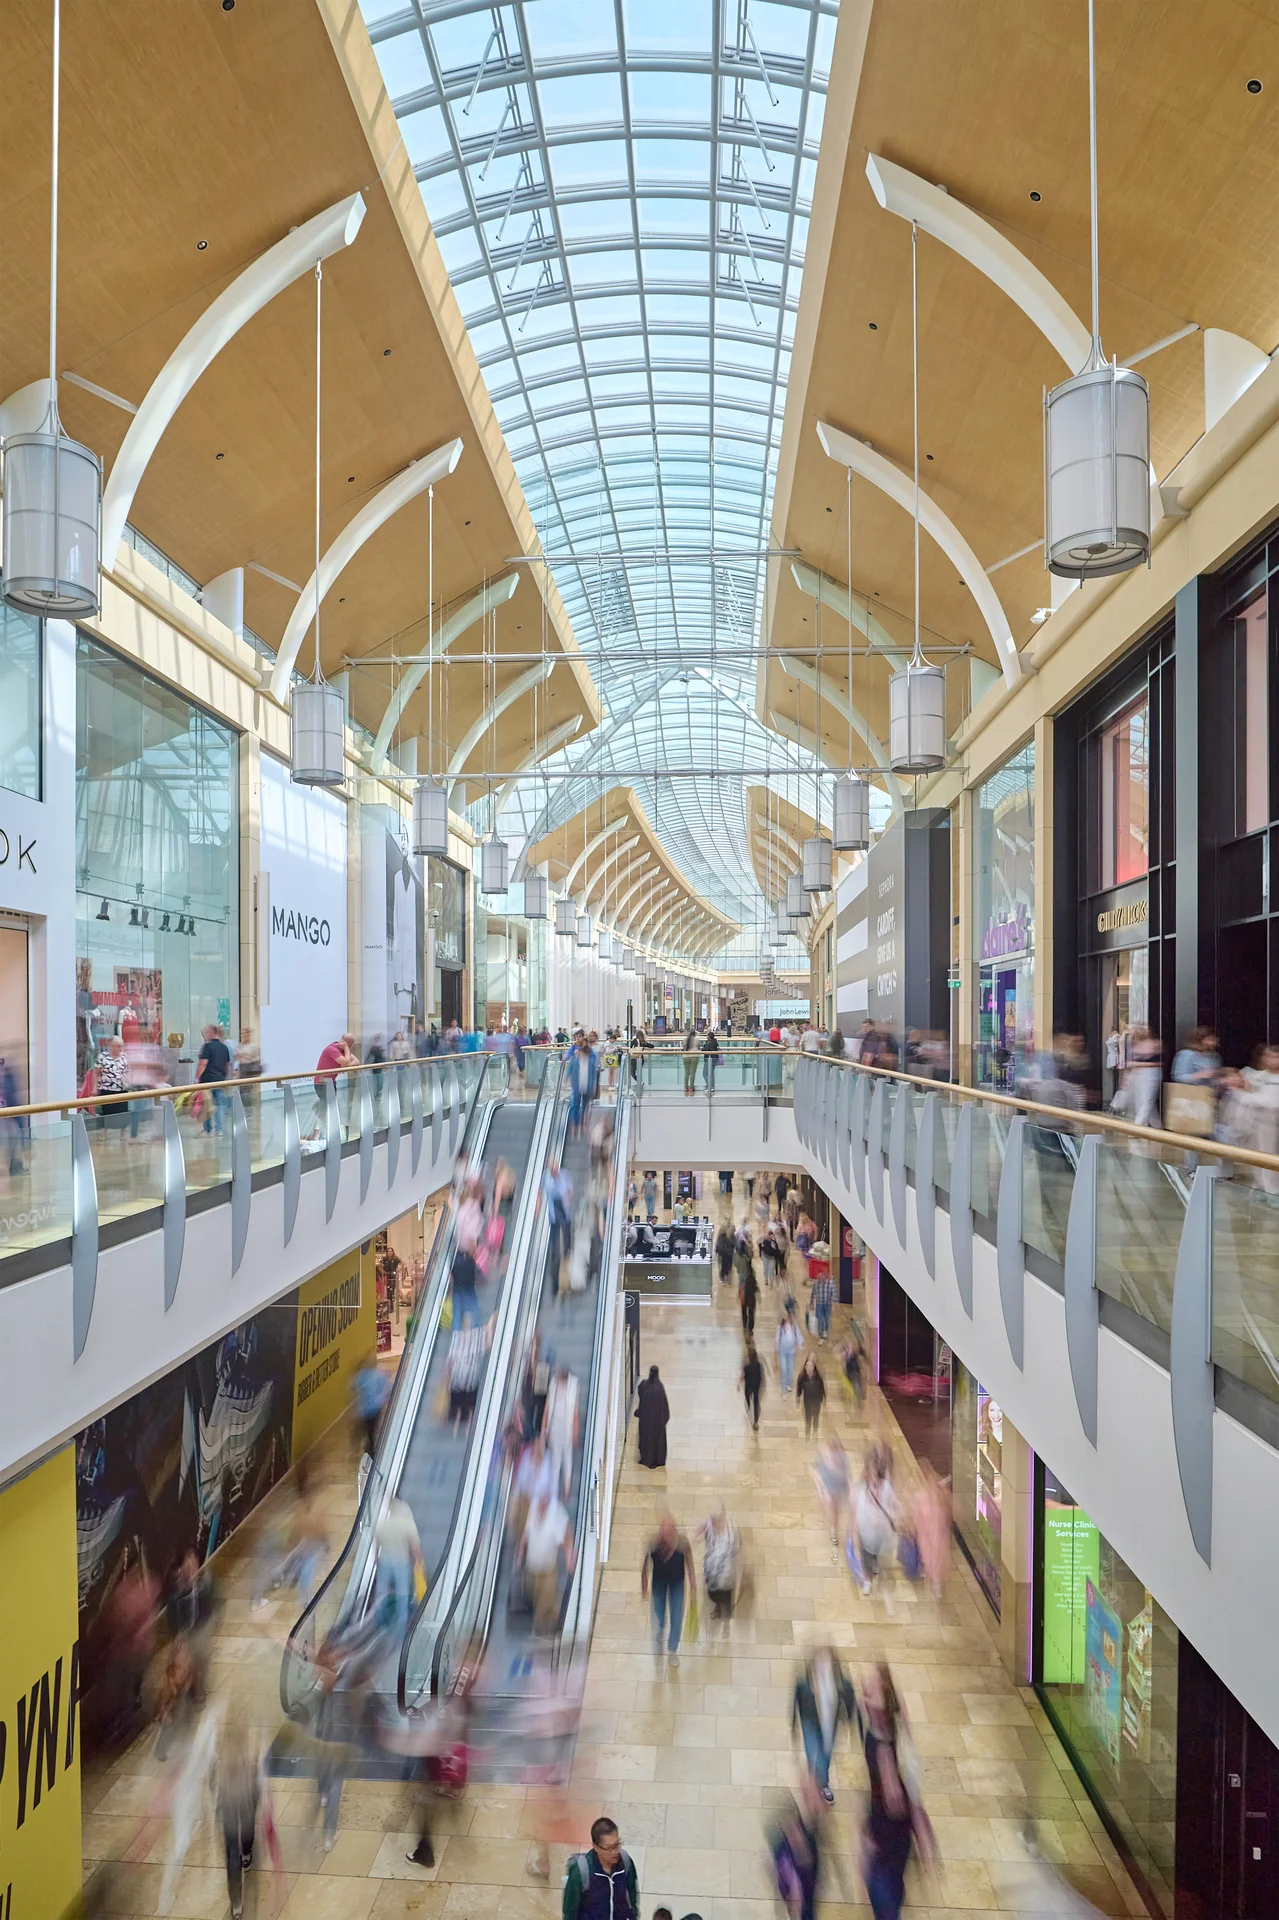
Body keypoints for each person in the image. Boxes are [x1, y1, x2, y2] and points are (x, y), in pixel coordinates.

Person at [859, 1663, 934, 1919]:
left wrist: (926, 1850)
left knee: (893, 1894)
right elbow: (876, 1794)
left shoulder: (897, 1747)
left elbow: (914, 1807)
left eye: (871, 1692)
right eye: (865, 1692)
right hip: (880, 1837)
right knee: (885, 1902)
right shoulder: (873, 1739)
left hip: (897, 1840)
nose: (865, 1698)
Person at [792, 1646, 857, 1803]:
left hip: (829, 1726)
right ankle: (815, 1785)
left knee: (825, 1756)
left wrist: (849, 1721)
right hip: (810, 1724)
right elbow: (796, 1701)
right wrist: (794, 1724)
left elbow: (849, 1701)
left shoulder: (840, 1683)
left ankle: (820, 1783)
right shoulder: (805, 1682)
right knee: (814, 1755)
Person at [518, 1486, 577, 1634]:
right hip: (532, 1566)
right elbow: (527, 1532)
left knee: (546, 1602)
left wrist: (570, 1556)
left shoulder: (556, 1512)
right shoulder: (533, 1506)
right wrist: (519, 1554)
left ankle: (542, 1632)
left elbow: (567, 1536)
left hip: (547, 1569)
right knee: (535, 1597)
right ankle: (546, 1627)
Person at [562, 1816, 639, 1920]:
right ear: (596, 1847)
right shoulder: (580, 1872)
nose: (615, 1852)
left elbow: (632, 1898)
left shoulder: (626, 1863)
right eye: (609, 1848)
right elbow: (570, 1912)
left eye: (617, 1845)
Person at [641, 1515, 692, 1667]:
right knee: (659, 1618)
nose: (664, 1534)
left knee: (676, 1618)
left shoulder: (682, 1543)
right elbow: (645, 1564)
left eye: (668, 1531)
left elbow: (689, 1560)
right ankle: (658, 1643)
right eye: (662, 1530)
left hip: (677, 1583)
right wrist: (643, 1582)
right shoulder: (654, 1544)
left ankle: (672, 1650)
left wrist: (693, 1581)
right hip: (658, 1584)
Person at [851, 1443, 901, 1595]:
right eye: (869, 1470)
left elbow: (894, 1505)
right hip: (865, 1530)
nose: (871, 1473)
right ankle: (868, 1580)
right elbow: (853, 1509)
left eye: (874, 1470)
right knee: (866, 1556)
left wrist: (896, 1519)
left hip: (881, 1532)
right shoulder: (860, 1488)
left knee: (878, 1554)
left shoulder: (886, 1487)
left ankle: (875, 1566)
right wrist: (854, 1531)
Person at [376, 1493, 423, 1626]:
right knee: (402, 1593)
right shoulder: (408, 1524)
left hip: (385, 1561)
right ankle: (401, 1622)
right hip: (401, 1563)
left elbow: (376, 1545)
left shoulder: (382, 1525)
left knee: (382, 1591)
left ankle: (379, 1619)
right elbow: (415, 1547)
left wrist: (376, 1559)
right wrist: (418, 1560)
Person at [543, 1361, 580, 1498]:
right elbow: (548, 1408)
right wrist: (544, 1429)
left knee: (567, 1457)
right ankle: (554, 1491)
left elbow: (575, 1413)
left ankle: (566, 1488)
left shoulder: (573, 1387)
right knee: (556, 1459)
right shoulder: (553, 1385)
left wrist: (575, 1433)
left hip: (567, 1427)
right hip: (555, 1427)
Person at [700, 1507, 739, 1627]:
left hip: (725, 1574)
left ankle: (726, 1622)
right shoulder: (709, 1527)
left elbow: (735, 1551)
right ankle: (717, 1606)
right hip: (712, 1572)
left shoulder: (731, 1531)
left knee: (726, 1599)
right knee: (714, 1594)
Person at [544, 1158, 573, 1297]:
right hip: (554, 1218)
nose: (553, 1171)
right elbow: (541, 1193)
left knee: (566, 1250)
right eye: (551, 1168)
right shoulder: (546, 1178)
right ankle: (556, 1286)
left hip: (565, 1216)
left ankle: (566, 1283)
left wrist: (566, 1197)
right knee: (555, 1252)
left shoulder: (564, 1175)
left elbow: (569, 1192)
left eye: (555, 1168)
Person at [195, 1024, 232, 1135]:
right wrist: (224, 1077)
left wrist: (196, 1078)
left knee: (207, 1105)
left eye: (205, 1033)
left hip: (207, 1080)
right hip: (220, 1079)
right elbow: (227, 1065)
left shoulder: (208, 1047)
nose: (204, 1035)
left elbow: (203, 1064)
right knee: (219, 1105)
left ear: (211, 1032)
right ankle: (219, 1129)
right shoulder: (224, 1047)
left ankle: (208, 1129)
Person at [352, 1354, 390, 1458]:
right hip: (371, 1409)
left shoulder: (363, 1376)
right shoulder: (375, 1375)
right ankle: (370, 1449)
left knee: (370, 1431)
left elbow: (356, 1392)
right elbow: (386, 1390)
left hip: (369, 1410)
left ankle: (369, 1449)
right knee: (371, 1431)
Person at [636, 1364, 669, 1468]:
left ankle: (646, 1458)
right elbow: (664, 1406)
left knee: (646, 1439)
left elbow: (640, 1393)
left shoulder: (645, 1385)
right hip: (657, 1422)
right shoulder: (659, 1388)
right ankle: (657, 1459)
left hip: (646, 1420)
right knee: (657, 1441)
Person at [796, 1354, 826, 1439]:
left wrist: (823, 1399)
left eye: (810, 1366)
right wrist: (798, 1396)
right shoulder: (802, 1377)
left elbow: (822, 1388)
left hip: (816, 1401)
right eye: (807, 1366)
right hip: (807, 1402)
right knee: (808, 1419)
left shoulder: (818, 1378)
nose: (808, 1367)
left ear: (813, 1367)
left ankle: (815, 1432)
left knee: (816, 1417)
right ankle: (807, 1436)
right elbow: (799, 1387)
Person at [740, 1339, 764, 1431]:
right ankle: (755, 1422)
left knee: (748, 1398)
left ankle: (750, 1412)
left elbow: (744, 1376)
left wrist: (739, 1383)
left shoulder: (747, 1366)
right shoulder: (759, 1365)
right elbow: (762, 1377)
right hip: (756, 1386)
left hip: (749, 1386)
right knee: (756, 1402)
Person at [736, 1236, 757, 1335]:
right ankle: (749, 1327)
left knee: (744, 1309)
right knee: (749, 1311)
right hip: (749, 1293)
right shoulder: (747, 1262)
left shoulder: (740, 1260)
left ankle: (746, 1326)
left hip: (744, 1291)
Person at [776, 1310, 801, 1393]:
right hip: (783, 1351)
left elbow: (799, 1338)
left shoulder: (794, 1327)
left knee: (790, 1368)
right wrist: (776, 1351)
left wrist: (800, 1347)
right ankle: (783, 1384)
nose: (788, 1319)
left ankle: (788, 1384)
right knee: (783, 1368)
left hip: (791, 1351)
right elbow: (777, 1340)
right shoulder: (780, 1328)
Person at [810, 1269, 835, 1343]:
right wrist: (811, 1303)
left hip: (827, 1305)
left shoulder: (830, 1284)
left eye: (822, 1276)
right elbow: (813, 1294)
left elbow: (833, 1294)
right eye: (819, 1277)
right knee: (820, 1320)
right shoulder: (816, 1284)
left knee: (827, 1320)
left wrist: (834, 1304)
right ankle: (820, 1336)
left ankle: (825, 1330)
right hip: (819, 1305)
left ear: (825, 1276)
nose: (820, 1278)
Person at [714, 1221, 735, 1286]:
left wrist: (717, 1252)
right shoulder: (727, 1238)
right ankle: (726, 1278)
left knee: (722, 1267)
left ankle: (723, 1278)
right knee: (727, 1267)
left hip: (722, 1255)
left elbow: (717, 1247)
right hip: (727, 1255)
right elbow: (732, 1244)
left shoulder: (720, 1238)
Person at [682, 1024, 699, 1097]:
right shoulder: (697, 1039)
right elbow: (698, 1046)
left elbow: (683, 1047)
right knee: (693, 1073)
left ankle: (686, 1087)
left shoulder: (685, 1039)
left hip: (686, 1056)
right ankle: (691, 1087)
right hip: (694, 1056)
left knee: (687, 1072)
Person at [700, 1025, 719, 1091]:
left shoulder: (709, 1043)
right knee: (711, 1074)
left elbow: (704, 1049)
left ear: (709, 1037)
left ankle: (709, 1086)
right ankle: (712, 1086)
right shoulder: (715, 1042)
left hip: (708, 1059)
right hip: (715, 1059)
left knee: (705, 1073)